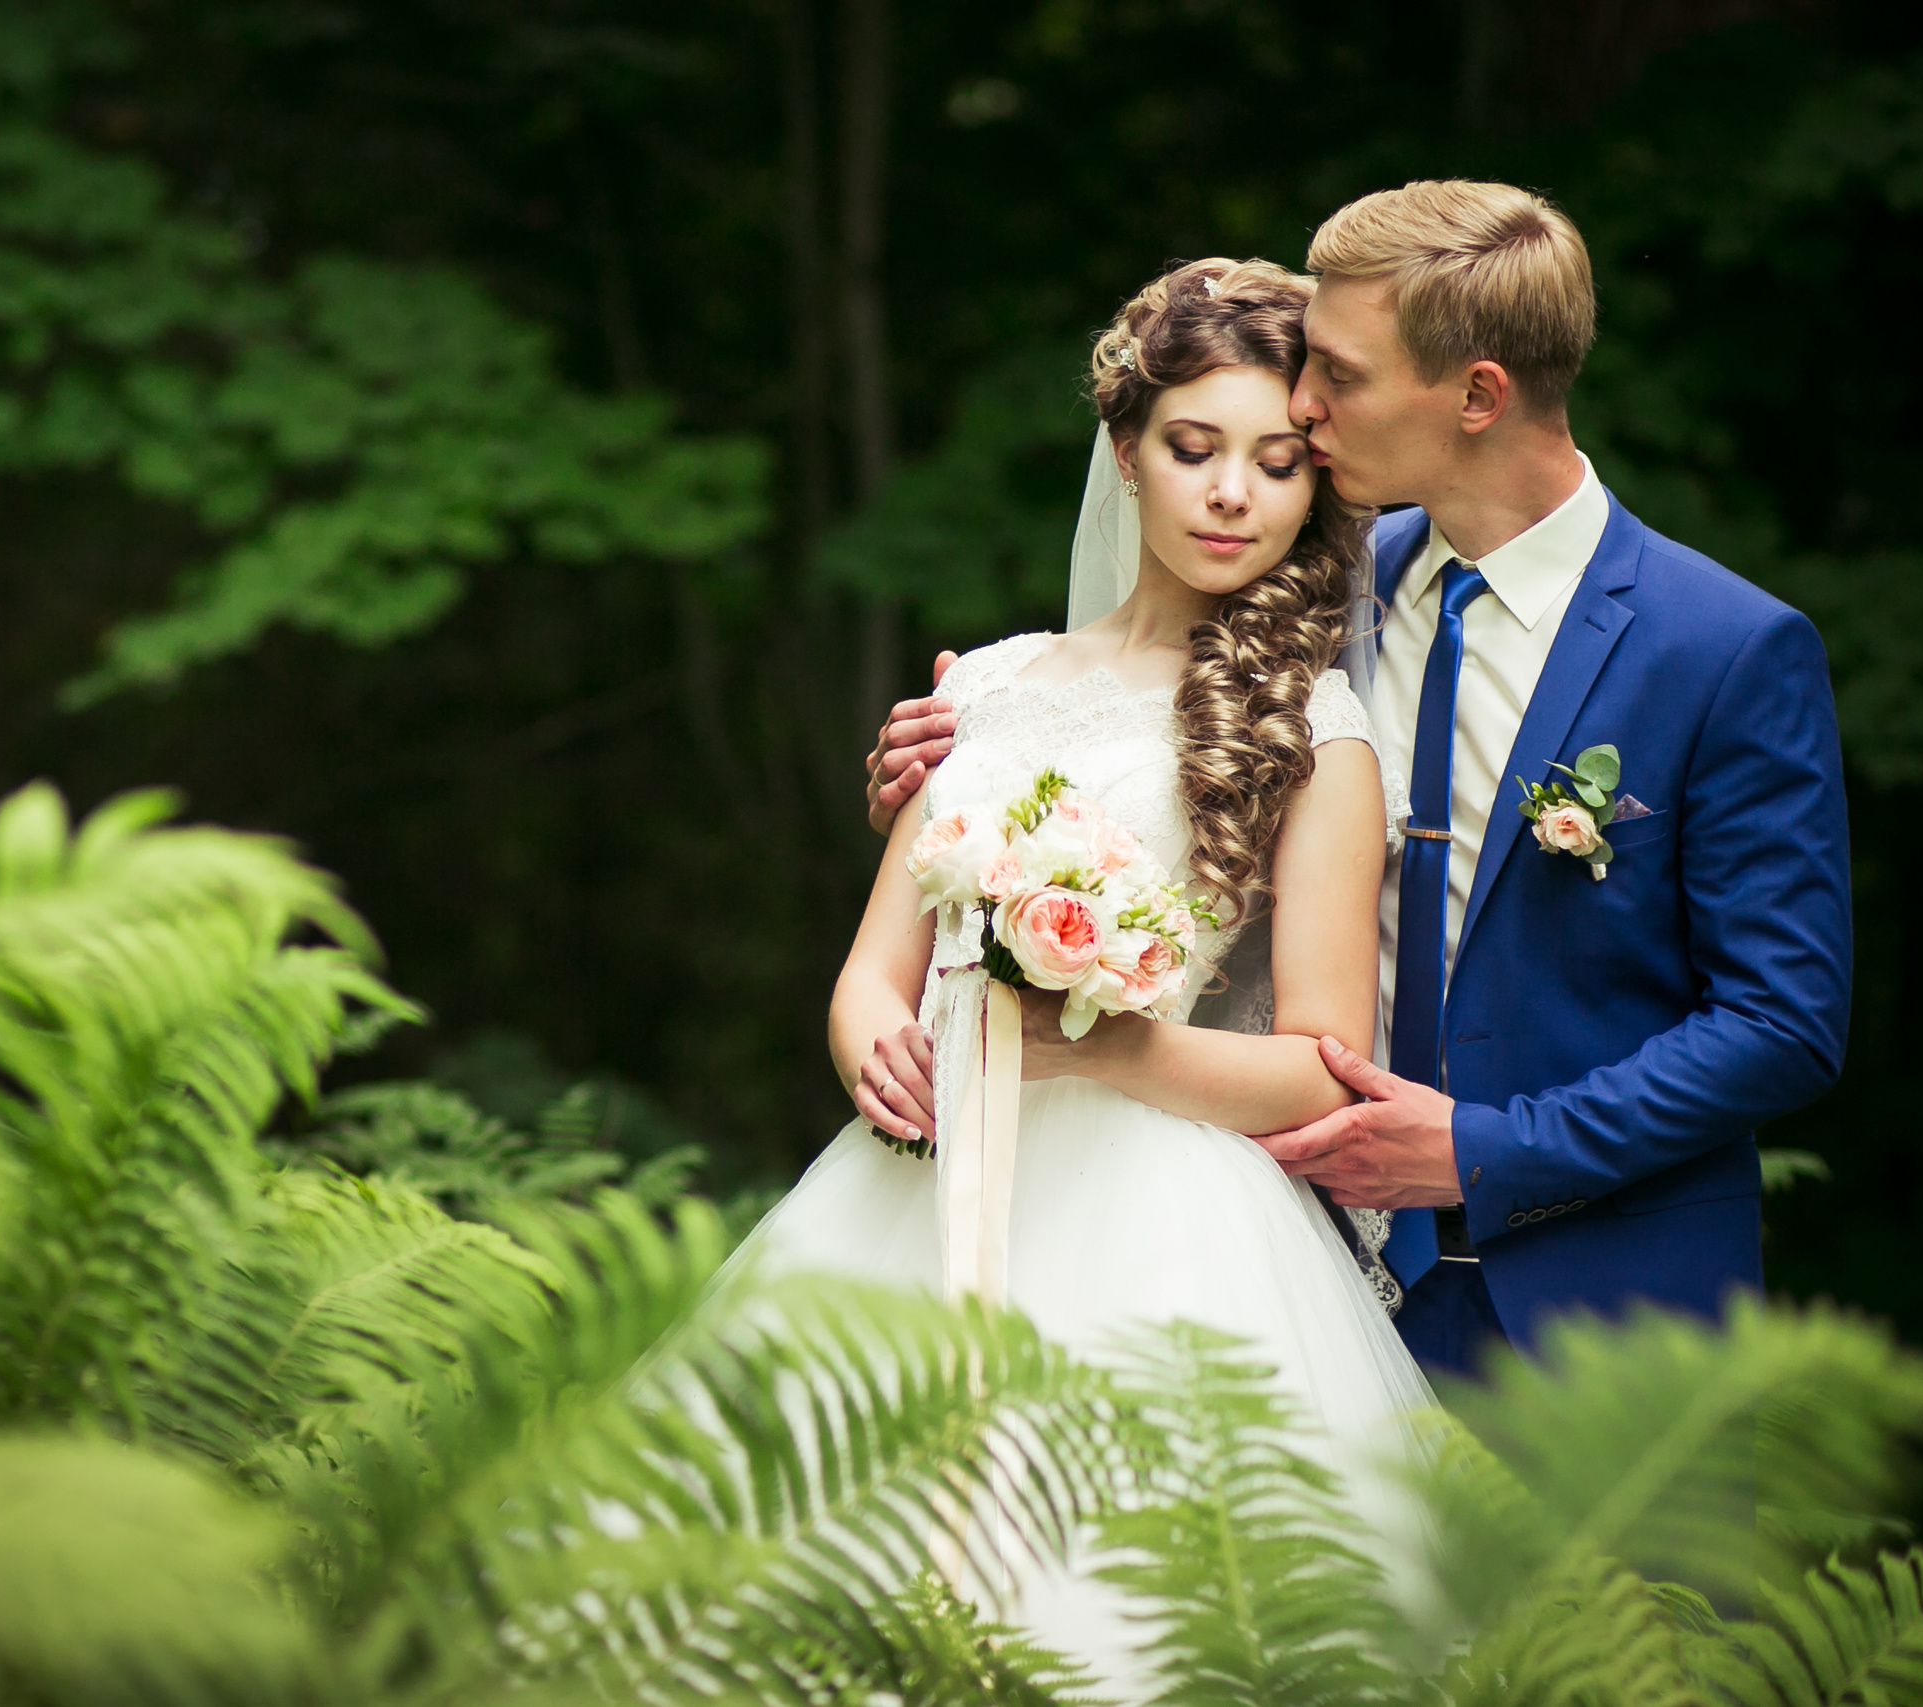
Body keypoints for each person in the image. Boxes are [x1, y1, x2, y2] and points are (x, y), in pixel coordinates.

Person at [866, 181, 1853, 1377]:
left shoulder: (1722, 650)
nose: (1304, 403)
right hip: (1291, 1270)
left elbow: (1781, 1024)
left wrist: (1490, 1150)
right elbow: (1118, 740)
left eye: (1339, 375)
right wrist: (950, 780)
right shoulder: (1301, 590)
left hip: (1598, 1311)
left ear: (1476, 395)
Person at [742, 257, 1433, 1688]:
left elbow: (1324, 1057)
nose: (1233, 492)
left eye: (1276, 460)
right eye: (1195, 448)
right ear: (1127, 449)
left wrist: (1109, 1045)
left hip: (1159, 1203)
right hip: (920, 1179)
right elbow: (876, 965)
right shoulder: (987, 686)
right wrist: (874, 1043)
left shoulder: (1316, 725)